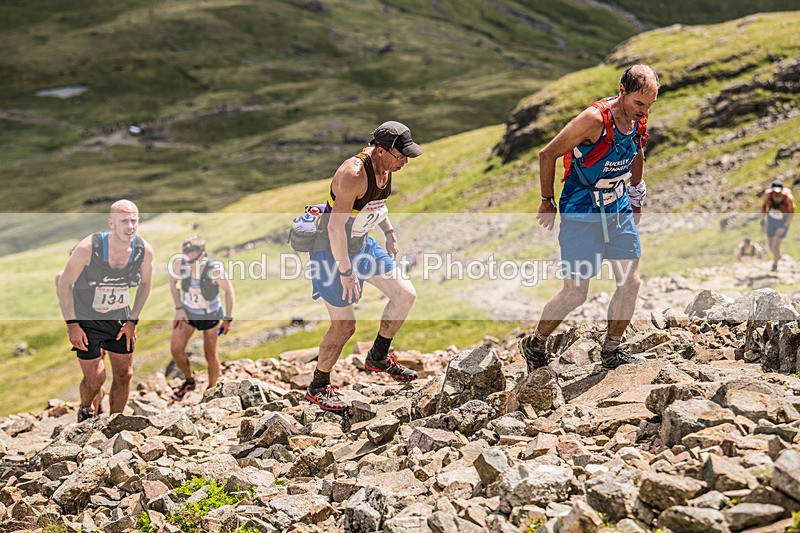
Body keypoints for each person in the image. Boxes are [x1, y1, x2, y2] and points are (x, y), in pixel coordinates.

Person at [519, 65, 659, 372]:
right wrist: (546, 201)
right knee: (576, 292)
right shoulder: (594, 119)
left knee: (630, 281)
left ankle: (611, 349)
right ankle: (536, 344)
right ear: (622, 90)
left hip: (617, 205)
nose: (643, 111)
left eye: (649, 105)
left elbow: (637, 153)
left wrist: (637, 195)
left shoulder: (638, 118)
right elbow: (547, 154)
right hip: (581, 208)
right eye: (639, 103)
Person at [305, 121, 422, 412]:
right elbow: (334, 228)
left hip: (361, 244)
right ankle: (318, 386)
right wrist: (346, 273)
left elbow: (376, 205)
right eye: (401, 155)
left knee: (405, 294)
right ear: (380, 150)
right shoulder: (352, 174)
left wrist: (390, 232)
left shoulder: (386, 168)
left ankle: (378, 356)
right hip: (331, 251)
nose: (405, 161)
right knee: (345, 326)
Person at [56, 200, 154, 422]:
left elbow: (146, 284)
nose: (130, 226)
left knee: (124, 374)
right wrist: (72, 325)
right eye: (124, 221)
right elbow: (63, 284)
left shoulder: (143, 251)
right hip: (86, 320)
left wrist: (132, 322)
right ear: (111, 223)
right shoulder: (88, 248)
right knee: (95, 379)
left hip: (118, 319)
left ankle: (115, 422)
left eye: (134, 220)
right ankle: (85, 409)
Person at [169, 236, 235, 400]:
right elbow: (173, 283)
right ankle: (189, 380)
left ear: (203, 254)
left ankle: (211, 391)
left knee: (210, 355)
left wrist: (227, 319)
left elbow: (229, 292)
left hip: (210, 315)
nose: (190, 265)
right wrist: (178, 308)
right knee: (176, 349)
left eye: (194, 261)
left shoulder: (214, 269)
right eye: (188, 260)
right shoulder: (180, 263)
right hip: (188, 313)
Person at [55, 246, 107, 417]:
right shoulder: (62, 278)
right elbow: (65, 305)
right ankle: (90, 409)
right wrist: (73, 329)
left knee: (99, 371)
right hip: (82, 329)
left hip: (102, 327)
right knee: (93, 375)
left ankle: (96, 409)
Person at [760, 179, 794, 272]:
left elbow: (791, 212)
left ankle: (775, 265)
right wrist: (762, 223)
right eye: (775, 192)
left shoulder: (788, 198)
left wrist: (784, 227)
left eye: (778, 193)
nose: (776, 195)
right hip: (771, 220)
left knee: (775, 245)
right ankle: (777, 256)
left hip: (782, 222)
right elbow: (763, 207)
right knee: (770, 244)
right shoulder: (768, 195)